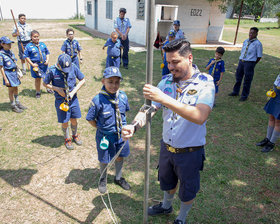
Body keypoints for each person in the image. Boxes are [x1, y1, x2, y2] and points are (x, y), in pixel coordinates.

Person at [122, 39, 215, 224]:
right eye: (168, 62)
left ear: (189, 58)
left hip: (190, 151)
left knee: (187, 189)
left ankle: (181, 218)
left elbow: (200, 116)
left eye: (175, 62)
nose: (171, 67)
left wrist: (164, 98)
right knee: (167, 182)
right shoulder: (165, 81)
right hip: (167, 147)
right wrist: (134, 125)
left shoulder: (205, 82)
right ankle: (166, 206)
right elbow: (149, 108)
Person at [86, 66, 131, 194]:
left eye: (117, 82)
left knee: (120, 156)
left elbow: (124, 113)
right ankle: (103, 179)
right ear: (103, 81)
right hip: (105, 136)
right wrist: (99, 128)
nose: (114, 85)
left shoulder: (122, 96)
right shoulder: (98, 100)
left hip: (121, 136)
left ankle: (118, 177)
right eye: (110, 82)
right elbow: (90, 119)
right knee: (104, 159)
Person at [43, 54, 85, 150]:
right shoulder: (52, 70)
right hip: (61, 101)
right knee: (65, 120)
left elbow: (82, 80)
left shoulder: (73, 67)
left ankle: (74, 135)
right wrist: (57, 89)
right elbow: (45, 83)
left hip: (73, 99)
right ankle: (67, 138)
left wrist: (73, 91)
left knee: (74, 118)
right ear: (58, 64)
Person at [228, 27, 263, 101]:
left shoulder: (258, 44)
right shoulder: (246, 41)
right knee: (238, 77)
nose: (251, 34)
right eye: (250, 32)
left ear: (256, 34)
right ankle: (235, 91)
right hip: (241, 61)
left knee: (247, 80)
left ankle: (244, 95)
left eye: (253, 33)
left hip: (250, 63)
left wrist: (252, 63)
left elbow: (259, 56)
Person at [0, 36, 27, 113]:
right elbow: (1, 68)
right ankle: (13, 105)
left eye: (10, 44)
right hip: (8, 74)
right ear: (2, 44)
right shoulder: (1, 54)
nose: (10, 45)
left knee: (16, 88)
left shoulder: (10, 52)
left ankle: (17, 102)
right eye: (8, 44)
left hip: (14, 72)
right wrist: (5, 79)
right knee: (11, 90)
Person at [256, 73, 280, 153]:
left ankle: (271, 143)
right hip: (275, 95)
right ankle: (267, 139)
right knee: (271, 117)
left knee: (278, 122)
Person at [24, 30, 50, 98]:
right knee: (38, 79)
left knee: (47, 77)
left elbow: (47, 53)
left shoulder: (42, 44)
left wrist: (47, 60)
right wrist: (32, 64)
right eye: (34, 37)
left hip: (44, 65)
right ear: (31, 37)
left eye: (37, 36)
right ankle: (38, 92)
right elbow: (26, 57)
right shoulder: (29, 46)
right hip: (36, 65)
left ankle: (48, 88)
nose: (36, 38)